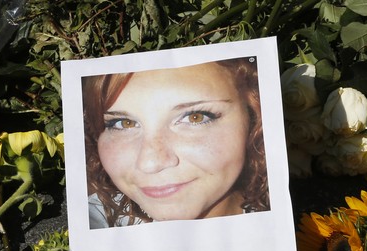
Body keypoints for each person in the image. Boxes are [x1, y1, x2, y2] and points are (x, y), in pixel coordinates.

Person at [83, 57, 269, 228]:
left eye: (195, 118)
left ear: (254, 118)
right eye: (124, 123)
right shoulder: (91, 221)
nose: (150, 163)